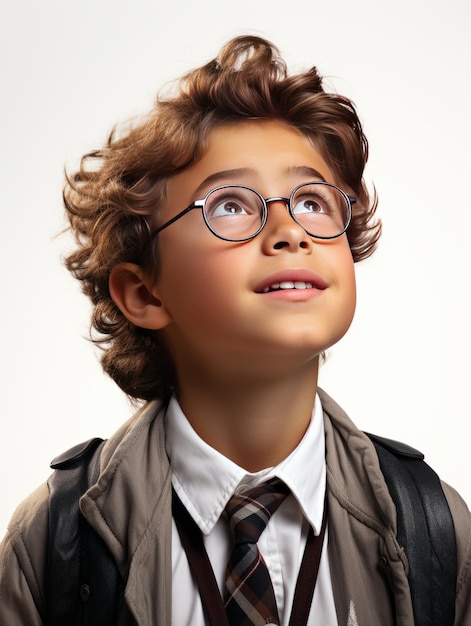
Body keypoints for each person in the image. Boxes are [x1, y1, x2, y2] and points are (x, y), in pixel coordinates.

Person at [0, 35, 469, 626]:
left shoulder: (432, 524)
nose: (290, 229)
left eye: (313, 201)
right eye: (230, 205)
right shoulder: (54, 540)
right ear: (145, 293)